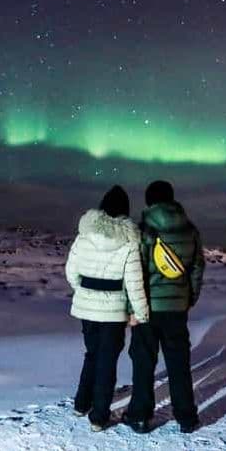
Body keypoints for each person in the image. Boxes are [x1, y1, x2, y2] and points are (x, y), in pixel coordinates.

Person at [65, 185, 150, 432]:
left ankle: (81, 404)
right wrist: (141, 313)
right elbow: (134, 282)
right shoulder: (129, 241)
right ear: (125, 211)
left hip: (87, 308)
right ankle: (99, 417)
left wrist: (83, 290)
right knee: (107, 361)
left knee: (91, 354)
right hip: (114, 312)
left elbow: (71, 271)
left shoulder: (84, 236)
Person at [123, 180, 205, 434]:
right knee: (179, 363)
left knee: (143, 363)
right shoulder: (190, 230)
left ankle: (139, 416)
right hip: (176, 309)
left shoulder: (144, 230)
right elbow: (197, 268)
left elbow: (134, 272)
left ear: (149, 201)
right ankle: (187, 418)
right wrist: (188, 298)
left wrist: (130, 308)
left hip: (146, 308)